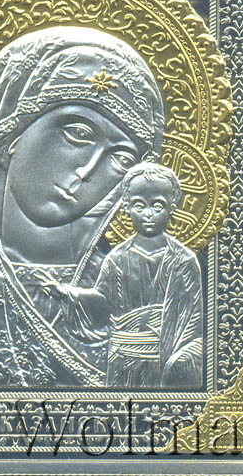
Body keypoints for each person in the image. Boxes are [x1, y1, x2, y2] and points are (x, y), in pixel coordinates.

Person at [0, 26, 165, 387]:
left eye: (121, 158)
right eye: (78, 133)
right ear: (11, 133)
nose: (87, 171)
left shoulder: (131, 288)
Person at [44, 162, 203, 388]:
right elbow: (102, 303)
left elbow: (192, 322)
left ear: (172, 207)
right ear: (126, 207)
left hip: (164, 363)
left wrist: (178, 364)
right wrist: (69, 294)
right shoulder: (116, 258)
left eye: (157, 206)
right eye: (139, 205)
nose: (148, 214)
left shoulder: (184, 260)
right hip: (122, 363)